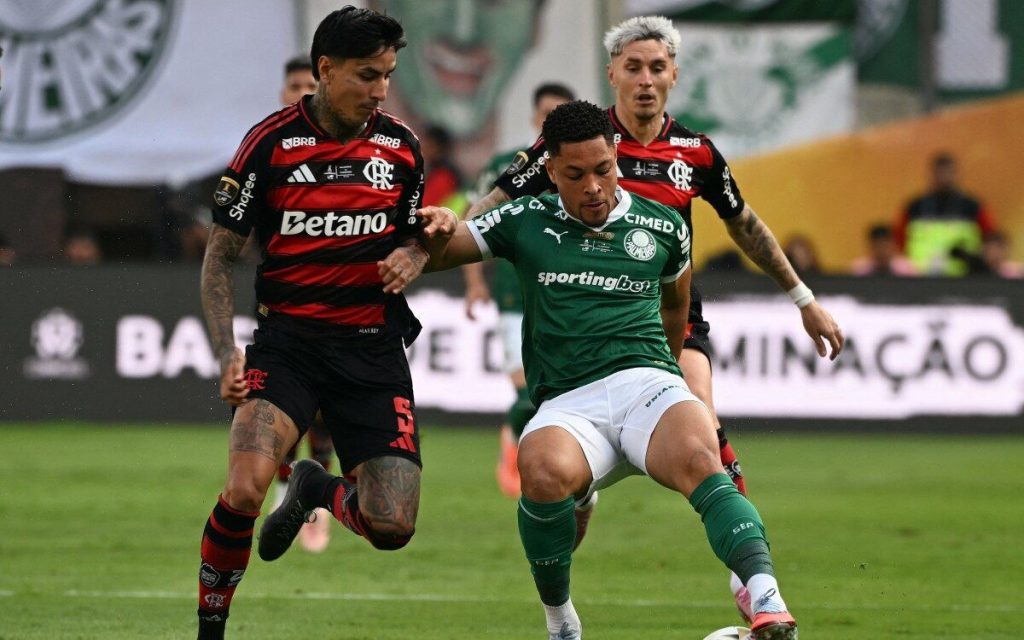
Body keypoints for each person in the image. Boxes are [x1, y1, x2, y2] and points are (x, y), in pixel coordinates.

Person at [466, 15, 843, 624]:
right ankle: (584, 484)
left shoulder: (694, 152)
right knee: (590, 447)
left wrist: (803, 297)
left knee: (703, 425)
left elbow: (743, 224)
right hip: (583, 321)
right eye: (634, 68)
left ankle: (747, 578)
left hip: (667, 314)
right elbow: (501, 201)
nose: (645, 81)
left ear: (674, 76)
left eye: (657, 68)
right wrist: (453, 235)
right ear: (612, 73)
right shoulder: (580, 142)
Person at [418, 100, 800, 640]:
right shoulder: (525, 219)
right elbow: (439, 252)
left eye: (604, 169)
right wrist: (433, 225)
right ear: (550, 171)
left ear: (616, 156)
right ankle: (562, 623)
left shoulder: (662, 225)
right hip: (569, 404)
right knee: (540, 470)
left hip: (646, 383)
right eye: (575, 175)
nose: (594, 186)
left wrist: (666, 378)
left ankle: (767, 600)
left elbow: (676, 307)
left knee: (699, 450)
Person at [195, 8, 443, 638]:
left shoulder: (401, 149)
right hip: (288, 350)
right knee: (246, 488)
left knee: (392, 528)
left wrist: (417, 250)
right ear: (325, 71)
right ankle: (210, 630)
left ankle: (314, 486)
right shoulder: (271, 143)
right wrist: (227, 354)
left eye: (387, 75)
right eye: (367, 75)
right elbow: (220, 257)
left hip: (372, 354)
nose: (381, 90)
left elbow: (419, 238)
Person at [462, 81, 575, 499]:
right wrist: (475, 284)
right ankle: (514, 442)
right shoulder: (506, 167)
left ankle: (541, 455)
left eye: (560, 113)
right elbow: (472, 223)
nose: (551, 120)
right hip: (513, 296)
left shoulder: (579, 171)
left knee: (554, 393)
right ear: (534, 117)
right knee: (527, 392)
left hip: (563, 298)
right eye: (546, 113)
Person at [268, 55, 336, 554]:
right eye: (294, 85)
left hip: (342, 306)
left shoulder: (348, 149)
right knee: (282, 407)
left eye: (309, 86)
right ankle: (285, 486)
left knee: (327, 413)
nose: (301, 93)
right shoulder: (268, 149)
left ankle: (312, 497)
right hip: (283, 303)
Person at [894, 152, 998, 276]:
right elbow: (899, 238)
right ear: (931, 174)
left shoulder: (972, 206)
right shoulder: (915, 206)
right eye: (939, 173)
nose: (944, 177)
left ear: (956, 174)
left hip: (965, 277)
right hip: (920, 278)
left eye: (948, 172)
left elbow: (990, 237)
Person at [420, 124, 465, 208]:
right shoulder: (438, 171)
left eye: (429, 144)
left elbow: (425, 206)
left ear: (439, 148)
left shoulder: (444, 176)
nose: (423, 148)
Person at [850, 224, 917, 276]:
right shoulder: (859, 270)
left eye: (885, 246)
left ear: (893, 245)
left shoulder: (907, 269)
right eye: (877, 246)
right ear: (870, 247)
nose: (881, 251)